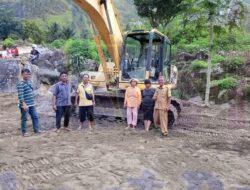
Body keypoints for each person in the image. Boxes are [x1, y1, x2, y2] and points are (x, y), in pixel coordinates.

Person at [16, 69, 41, 136]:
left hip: (32, 104)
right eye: (26, 74)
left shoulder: (29, 82)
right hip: (25, 104)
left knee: (35, 116)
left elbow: (31, 92)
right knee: (24, 118)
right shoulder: (20, 84)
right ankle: (24, 132)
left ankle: (37, 130)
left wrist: (34, 101)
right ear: (22, 74)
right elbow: (20, 95)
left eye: (29, 74)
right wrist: (23, 104)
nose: (27, 75)